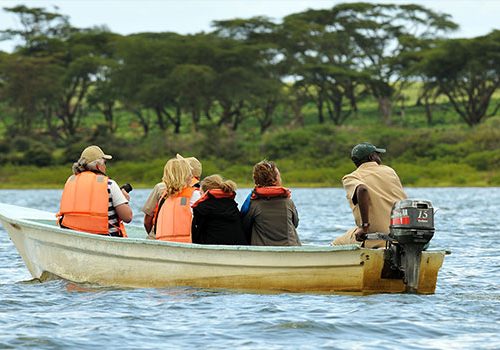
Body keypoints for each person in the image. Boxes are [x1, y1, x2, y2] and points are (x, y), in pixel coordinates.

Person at [333, 142, 407, 248]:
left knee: (336, 244)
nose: (379, 158)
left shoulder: (352, 178)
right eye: (377, 154)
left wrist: (365, 227)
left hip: (377, 237)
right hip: (402, 234)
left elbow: (362, 189)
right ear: (371, 157)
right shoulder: (389, 171)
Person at [57, 145, 133, 237]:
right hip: (105, 237)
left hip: (72, 234)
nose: (105, 166)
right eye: (104, 163)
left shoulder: (70, 181)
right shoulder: (109, 184)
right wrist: (125, 201)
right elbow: (127, 217)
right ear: (98, 165)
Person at [242, 160, 301, 246]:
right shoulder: (288, 202)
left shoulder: (253, 204)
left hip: (263, 249)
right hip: (289, 247)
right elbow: (295, 223)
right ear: (275, 180)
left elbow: (245, 227)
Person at [142, 154, 202, 235]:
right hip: (186, 238)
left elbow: (147, 221)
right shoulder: (200, 192)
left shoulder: (161, 188)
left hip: (158, 236)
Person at [191, 175, 247, 245]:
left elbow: (196, 234)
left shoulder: (202, 208)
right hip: (236, 248)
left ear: (204, 192)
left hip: (212, 249)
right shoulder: (232, 205)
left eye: (200, 193)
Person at [153, 157, 196, 242]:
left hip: (164, 246)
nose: (191, 176)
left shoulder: (164, 198)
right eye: (190, 172)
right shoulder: (194, 195)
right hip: (187, 246)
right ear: (186, 175)